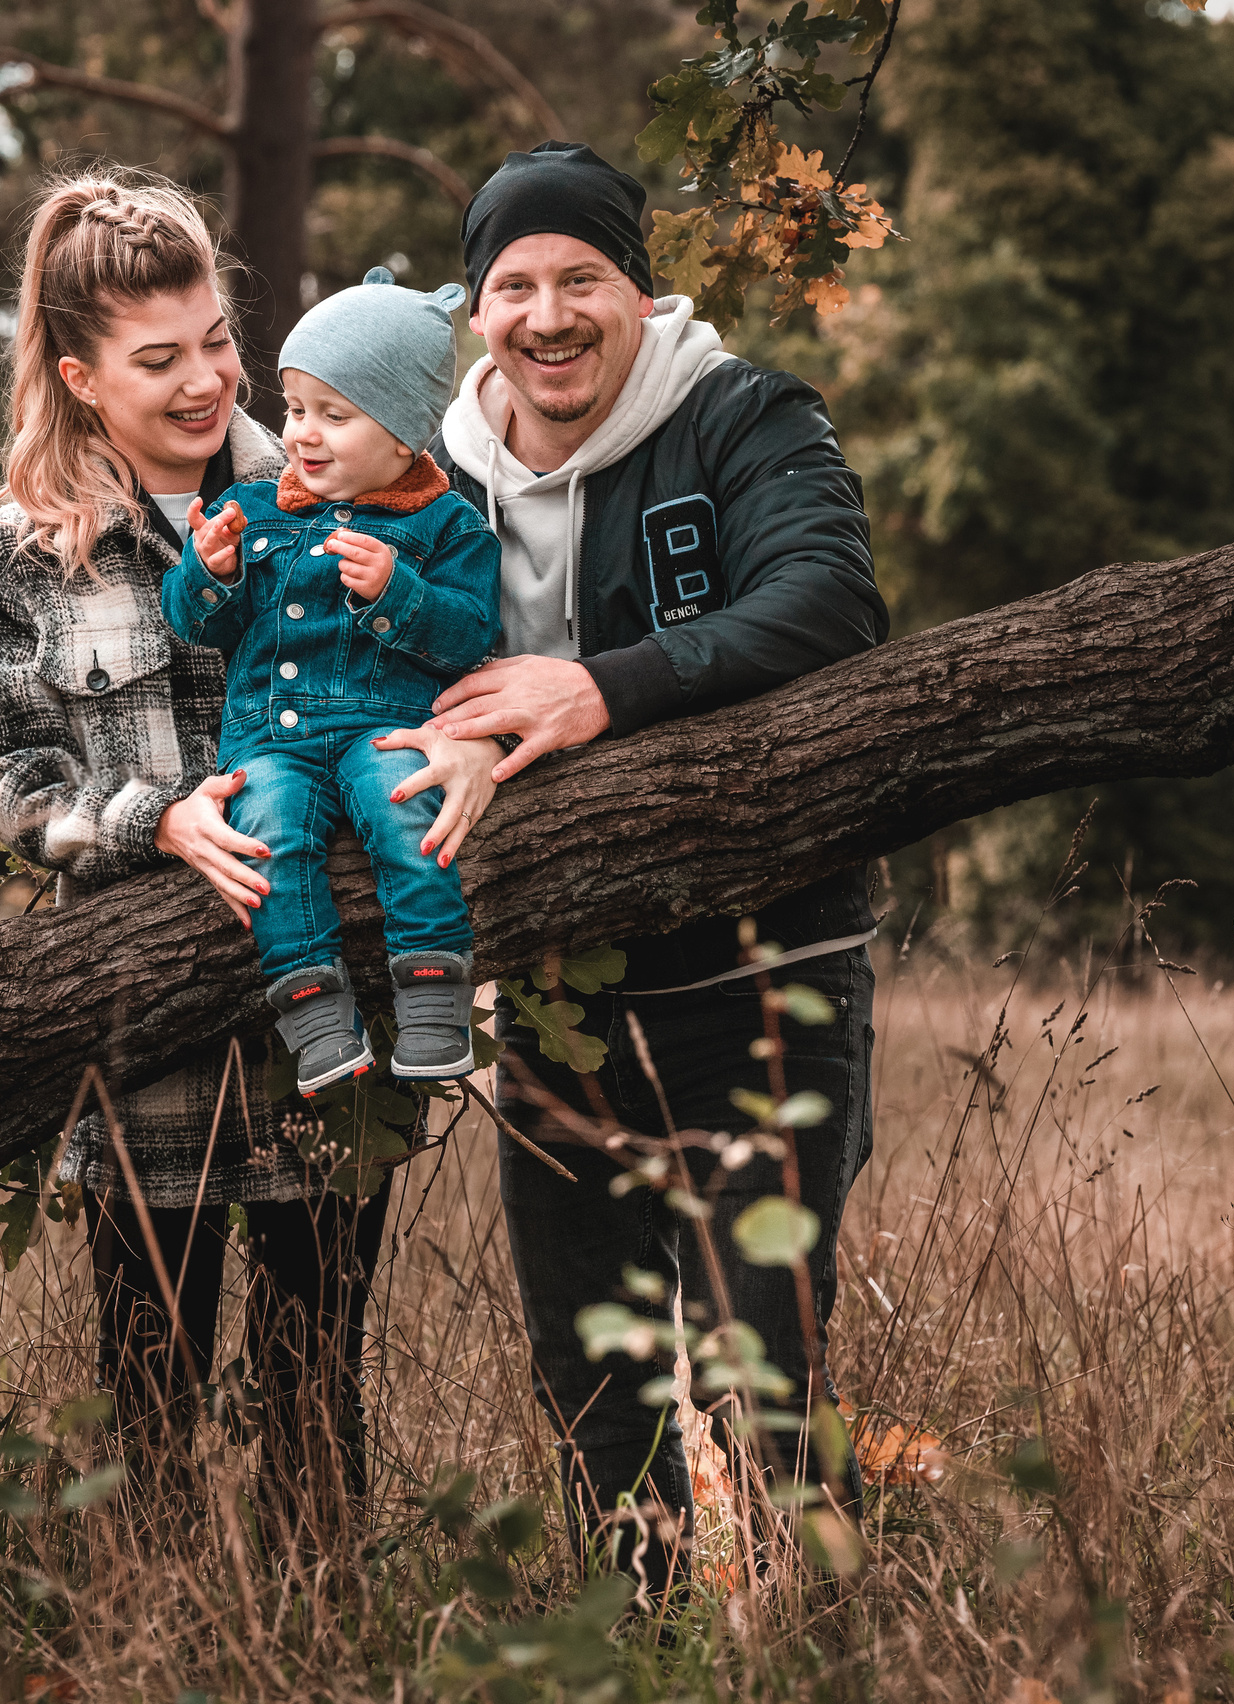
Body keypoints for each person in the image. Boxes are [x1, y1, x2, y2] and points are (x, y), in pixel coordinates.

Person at [0, 169, 503, 1536]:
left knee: (318, 1372)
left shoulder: (341, 469)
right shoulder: (31, 548)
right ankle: (163, 1641)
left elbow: (460, 663)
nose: (207, 382)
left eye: (217, 342)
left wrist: (477, 740)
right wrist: (152, 815)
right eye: (159, 360)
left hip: (327, 1024)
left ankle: (322, 1638)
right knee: (149, 1376)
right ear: (80, 375)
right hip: (140, 1028)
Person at [423, 142, 892, 1592]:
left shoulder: (746, 419)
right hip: (557, 1001)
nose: (549, 316)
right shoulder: (436, 474)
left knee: (765, 1369)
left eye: (583, 279)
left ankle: (814, 1650)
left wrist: (600, 689)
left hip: (763, 973)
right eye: (515, 286)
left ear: (639, 289)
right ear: (477, 306)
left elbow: (828, 603)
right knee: (592, 1379)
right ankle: (645, 1643)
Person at [164, 267, 502, 1095]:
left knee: (410, 819)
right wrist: (207, 571)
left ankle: (431, 995)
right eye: (295, 408)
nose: (304, 435)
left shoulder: (448, 524)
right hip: (269, 738)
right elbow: (198, 624)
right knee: (268, 839)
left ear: (403, 435)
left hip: (381, 726)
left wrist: (399, 593)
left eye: (334, 416)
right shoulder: (257, 507)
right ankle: (314, 1012)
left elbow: (472, 635)